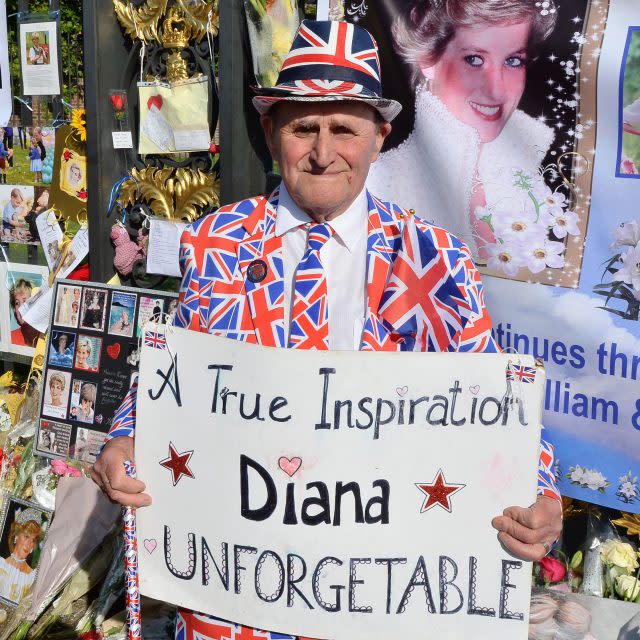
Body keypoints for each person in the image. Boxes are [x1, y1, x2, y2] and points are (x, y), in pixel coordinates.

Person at [92, 20, 562, 640]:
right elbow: (173, 379)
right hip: (235, 592)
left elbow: (493, 404)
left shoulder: (430, 260)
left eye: (344, 127)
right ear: (270, 132)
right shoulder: (218, 243)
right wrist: (125, 438)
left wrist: (541, 495)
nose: (322, 151)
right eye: (303, 127)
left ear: (379, 137)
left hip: (372, 599)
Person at [368, 0, 557, 262]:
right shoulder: (376, 184)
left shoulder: (530, 186)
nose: (496, 89)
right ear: (427, 60)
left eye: (513, 61)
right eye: (475, 59)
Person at [0, 507, 43, 603]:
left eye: (32, 540)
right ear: (16, 536)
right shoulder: (1, 565)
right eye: (26, 536)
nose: (29, 544)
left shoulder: (32, 576)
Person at [9, 278, 39, 347]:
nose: (21, 307)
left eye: (25, 301)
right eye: (17, 303)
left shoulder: (46, 338)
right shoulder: (9, 339)